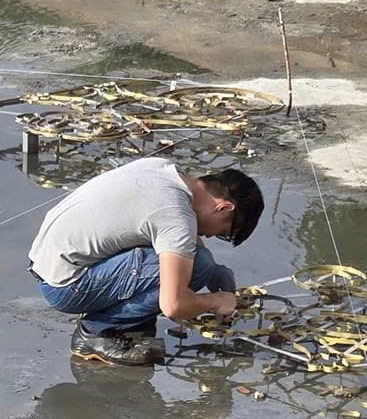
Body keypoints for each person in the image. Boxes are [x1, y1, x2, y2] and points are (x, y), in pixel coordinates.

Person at [29, 156, 264, 366]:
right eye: (223, 232)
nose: (211, 236)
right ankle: (95, 331)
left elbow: (174, 232)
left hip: (51, 263)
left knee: (198, 261)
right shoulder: (176, 215)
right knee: (197, 265)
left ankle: (129, 323)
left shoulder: (164, 170)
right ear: (223, 207)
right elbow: (174, 305)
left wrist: (214, 271)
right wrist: (216, 300)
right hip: (67, 285)